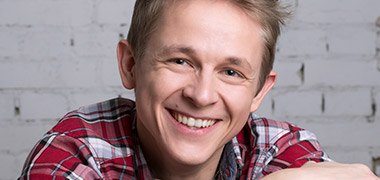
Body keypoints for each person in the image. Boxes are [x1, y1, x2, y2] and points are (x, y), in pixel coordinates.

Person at [19, 0, 378, 179]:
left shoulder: (281, 150)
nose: (202, 95)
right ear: (130, 65)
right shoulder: (77, 151)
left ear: (258, 92)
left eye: (232, 71)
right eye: (180, 61)